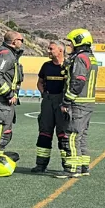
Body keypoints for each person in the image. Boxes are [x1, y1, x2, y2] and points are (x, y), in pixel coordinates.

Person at [56, 28, 99, 178]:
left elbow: (78, 81)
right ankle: (83, 167)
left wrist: (66, 101)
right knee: (82, 136)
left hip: (78, 103)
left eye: (71, 43)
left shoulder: (80, 58)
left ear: (79, 42)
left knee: (72, 135)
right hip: (88, 103)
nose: (70, 46)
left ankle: (72, 169)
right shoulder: (91, 58)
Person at [0, 31, 25, 167]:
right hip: (2, 100)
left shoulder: (9, 54)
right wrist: (8, 94)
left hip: (4, 100)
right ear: (14, 41)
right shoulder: (7, 54)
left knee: (5, 132)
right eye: (21, 40)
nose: (22, 42)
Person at [32, 41, 68, 174]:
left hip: (63, 102)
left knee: (63, 134)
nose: (48, 51)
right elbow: (40, 82)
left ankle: (67, 165)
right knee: (44, 133)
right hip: (48, 101)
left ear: (60, 50)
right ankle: (41, 165)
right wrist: (44, 94)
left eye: (51, 48)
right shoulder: (46, 66)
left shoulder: (69, 66)